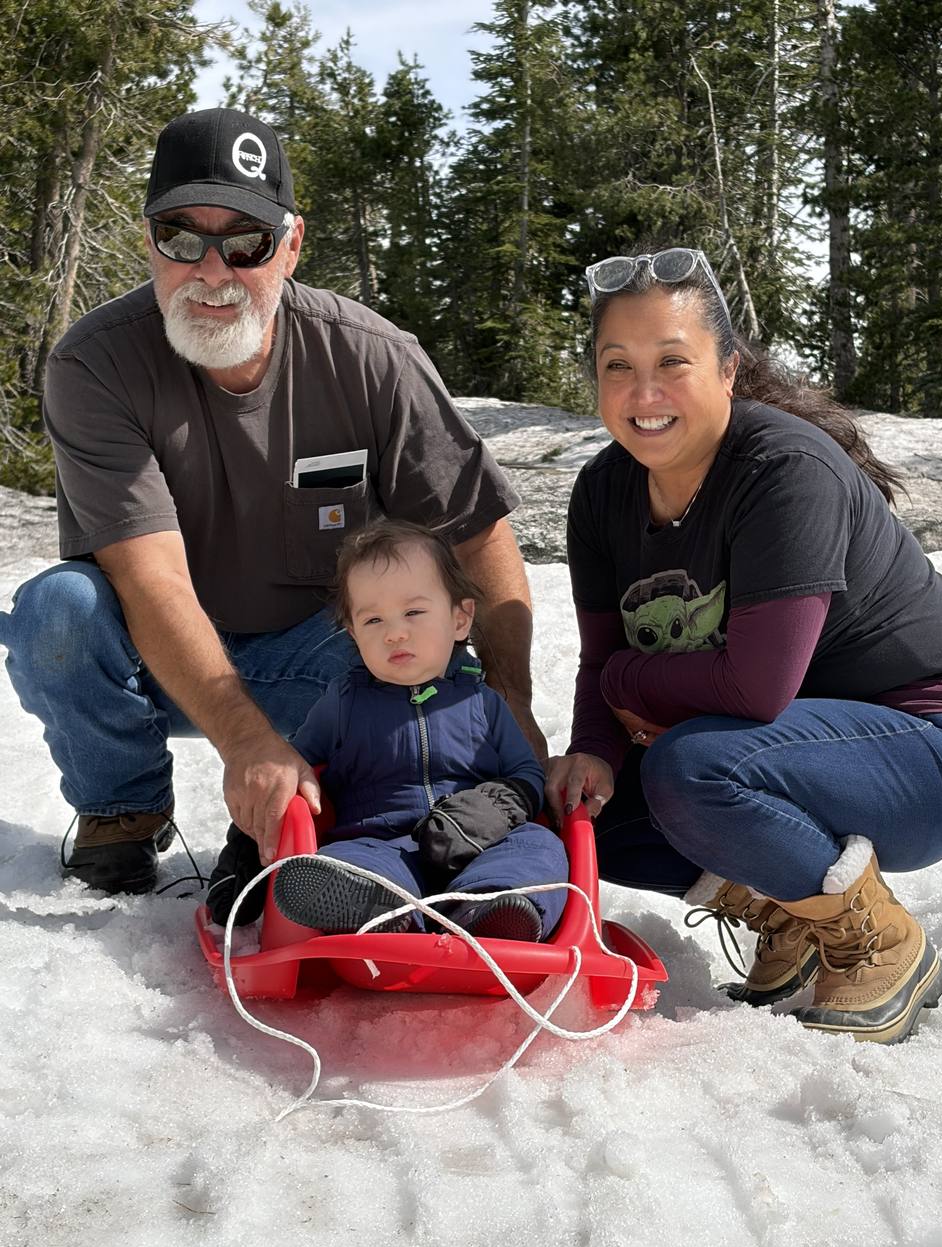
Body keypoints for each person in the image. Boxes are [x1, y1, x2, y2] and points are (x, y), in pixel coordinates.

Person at [0, 107, 545, 896]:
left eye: (246, 241)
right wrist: (246, 741)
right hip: (161, 658)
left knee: (415, 635)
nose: (212, 270)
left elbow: (475, 536)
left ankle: (364, 808)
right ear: (148, 241)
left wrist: (512, 702)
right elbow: (149, 581)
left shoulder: (375, 358)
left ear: (291, 245)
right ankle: (122, 807)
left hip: (327, 666)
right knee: (57, 610)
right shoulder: (93, 365)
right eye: (181, 237)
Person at [545, 246, 942, 1044]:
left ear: (728, 369)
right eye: (618, 365)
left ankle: (884, 941)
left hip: (941, 744)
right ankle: (789, 917)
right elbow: (601, 661)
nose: (643, 393)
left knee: (692, 767)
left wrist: (631, 681)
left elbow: (752, 688)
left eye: (672, 361)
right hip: (802, 744)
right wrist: (592, 746)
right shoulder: (603, 491)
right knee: (591, 808)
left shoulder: (783, 468)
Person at [207, 522, 568, 940]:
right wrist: (247, 848)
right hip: (380, 847)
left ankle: (492, 909)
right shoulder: (343, 703)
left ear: (460, 618)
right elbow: (286, 772)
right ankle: (380, 912)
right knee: (340, 863)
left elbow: (527, 777)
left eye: (414, 612)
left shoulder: (484, 704)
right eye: (373, 619)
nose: (394, 632)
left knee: (538, 847)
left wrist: (487, 811)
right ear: (353, 634)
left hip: (478, 845)